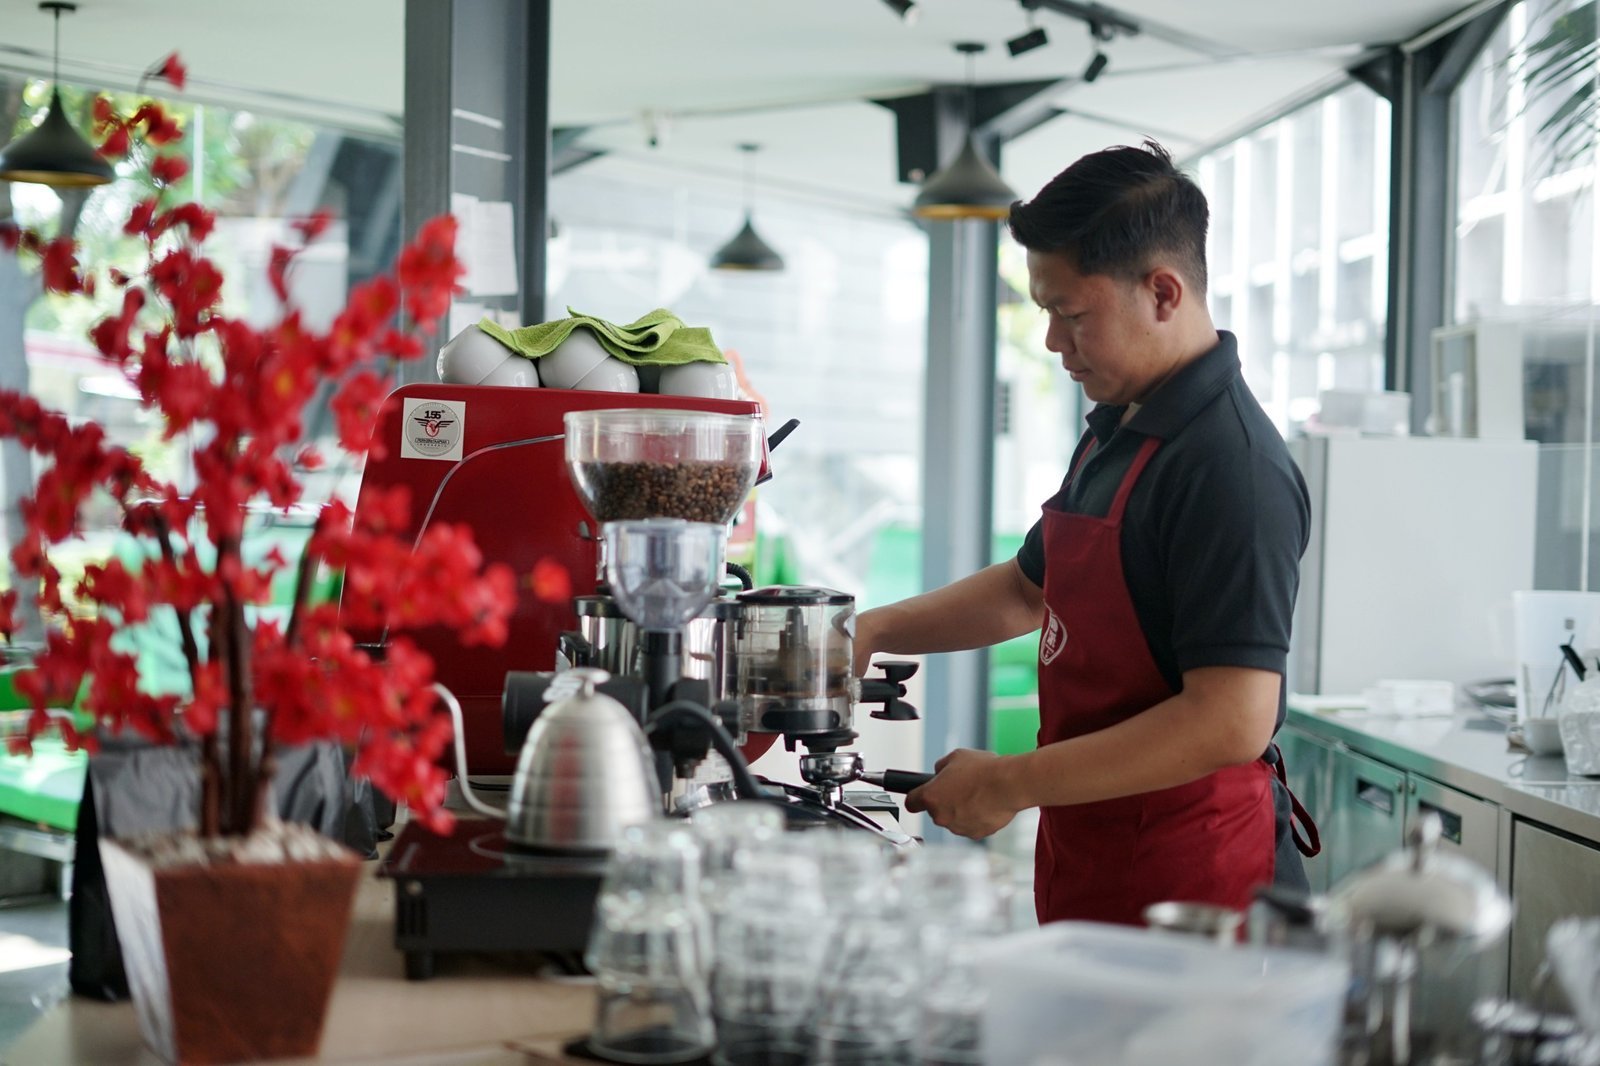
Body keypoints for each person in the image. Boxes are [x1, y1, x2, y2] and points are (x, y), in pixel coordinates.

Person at [853, 140, 1318, 926]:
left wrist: (1009, 781)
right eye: (1046, 313)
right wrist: (872, 631)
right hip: (1095, 845)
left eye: (1071, 316)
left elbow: (1231, 718)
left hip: (1194, 882)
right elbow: (1027, 589)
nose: (1051, 342)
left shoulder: (1230, 467)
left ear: (1163, 292)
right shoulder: (1120, 426)